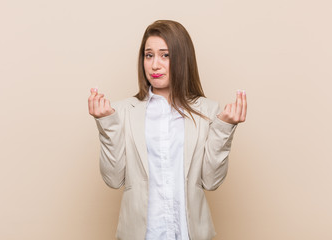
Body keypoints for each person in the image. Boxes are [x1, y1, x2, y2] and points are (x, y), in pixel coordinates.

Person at [88, 20, 247, 240]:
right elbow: (113, 180)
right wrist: (106, 125)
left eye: (165, 55)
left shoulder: (208, 111)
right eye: (149, 55)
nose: (154, 65)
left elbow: (211, 182)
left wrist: (224, 128)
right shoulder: (122, 111)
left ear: (183, 59)